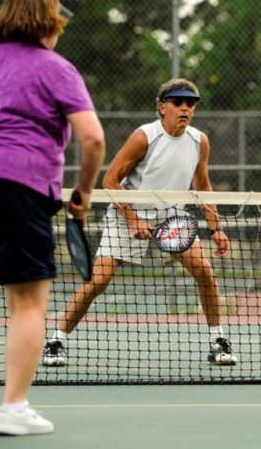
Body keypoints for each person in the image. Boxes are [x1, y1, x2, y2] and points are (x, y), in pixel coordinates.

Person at [0, 0, 105, 435]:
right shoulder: (56, 69)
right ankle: (14, 409)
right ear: (49, 22)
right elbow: (94, 138)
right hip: (19, 187)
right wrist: (82, 192)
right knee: (27, 304)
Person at [41, 78, 238, 369]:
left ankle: (217, 341)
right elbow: (110, 179)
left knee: (205, 272)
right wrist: (132, 218)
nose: (185, 109)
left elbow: (203, 185)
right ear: (162, 107)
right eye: (178, 103)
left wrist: (216, 228)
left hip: (171, 216)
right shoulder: (144, 136)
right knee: (98, 281)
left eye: (190, 104)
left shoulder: (199, 141)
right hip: (127, 212)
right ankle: (56, 341)